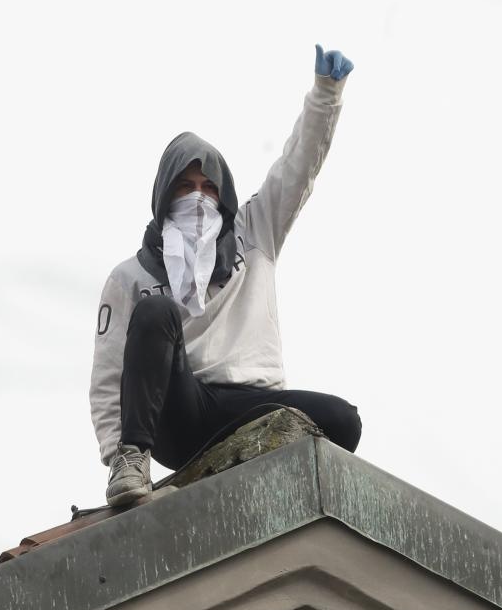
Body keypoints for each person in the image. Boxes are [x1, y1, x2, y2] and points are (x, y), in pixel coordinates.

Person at [90, 44, 361, 507]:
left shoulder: (256, 233)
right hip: (181, 409)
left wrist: (325, 93)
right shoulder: (131, 275)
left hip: (251, 406)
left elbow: (297, 169)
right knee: (156, 311)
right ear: (164, 196)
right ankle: (132, 462)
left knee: (344, 420)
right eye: (185, 187)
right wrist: (117, 450)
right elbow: (108, 372)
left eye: (208, 187)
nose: (198, 198)